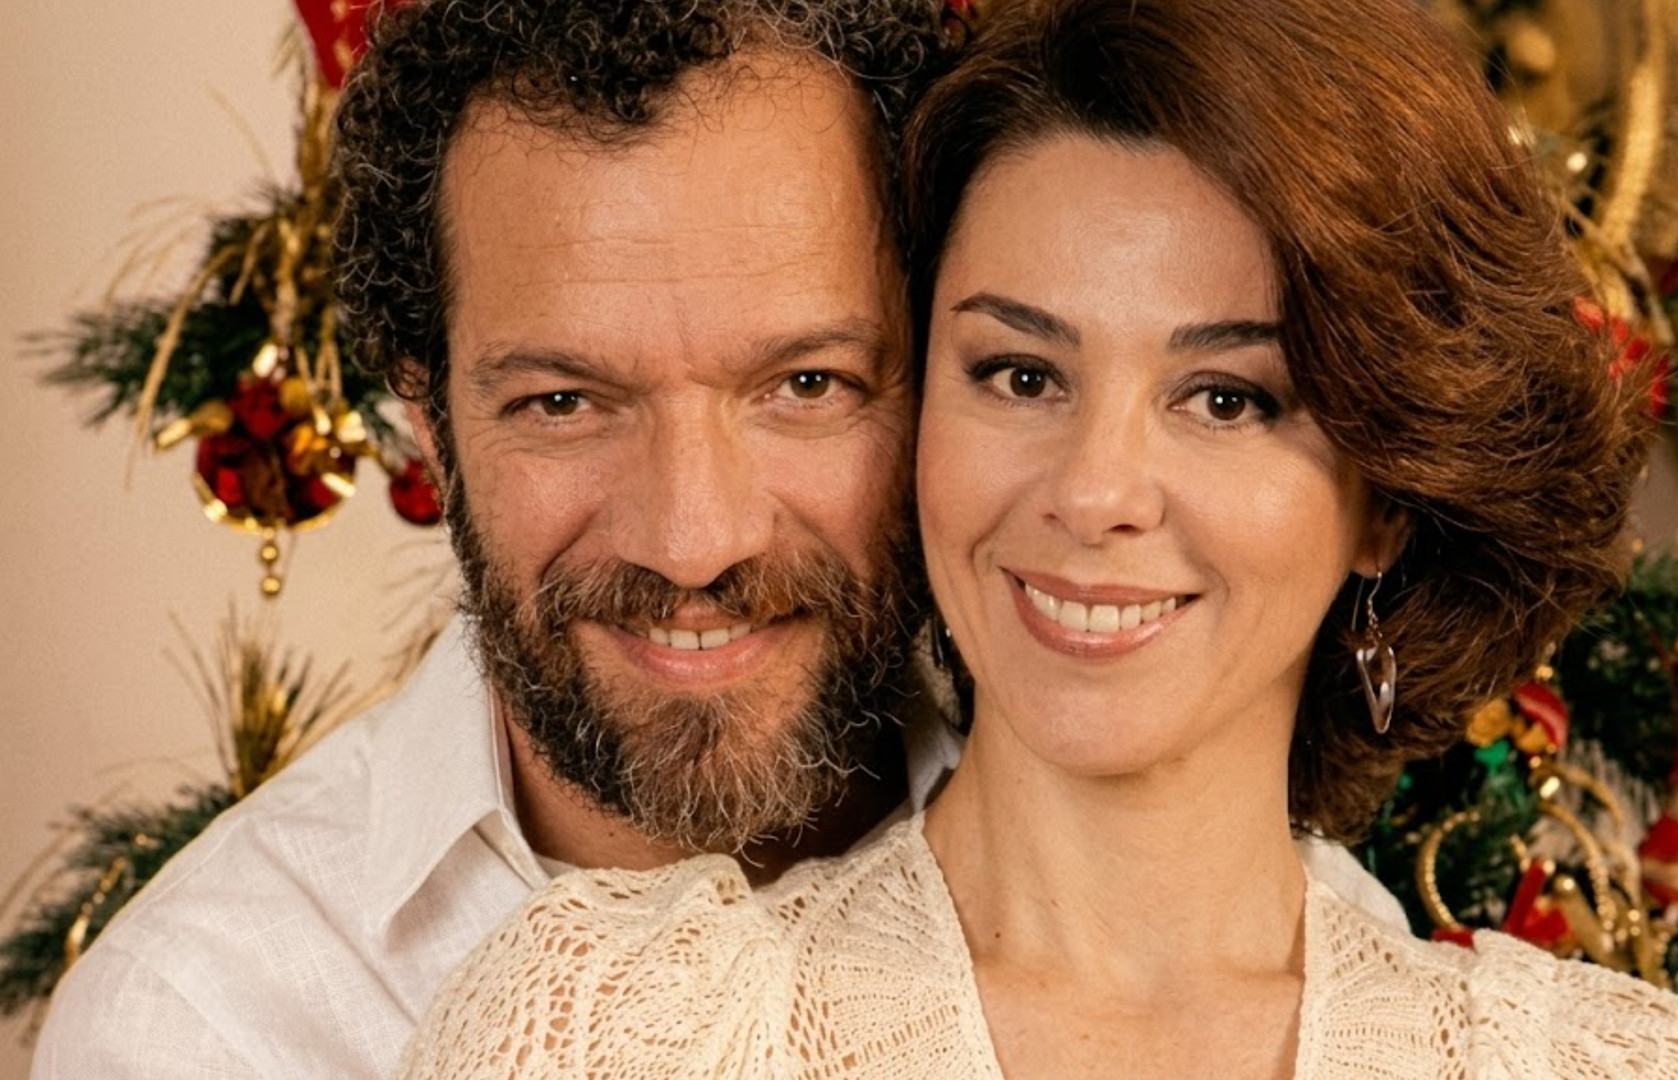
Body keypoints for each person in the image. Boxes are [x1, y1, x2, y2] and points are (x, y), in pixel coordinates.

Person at [395, 0, 1678, 1077]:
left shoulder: (1627, 1068)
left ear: (1390, 495)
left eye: (1225, 398)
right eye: (1021, 375)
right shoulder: (606, 1038)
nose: (1096, 490)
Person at [31, 2, 1398, 1077]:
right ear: (429, 427)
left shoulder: (1326, 972)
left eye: (805, 384)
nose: (693, 540)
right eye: (563, 403)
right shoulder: (204, 1024)